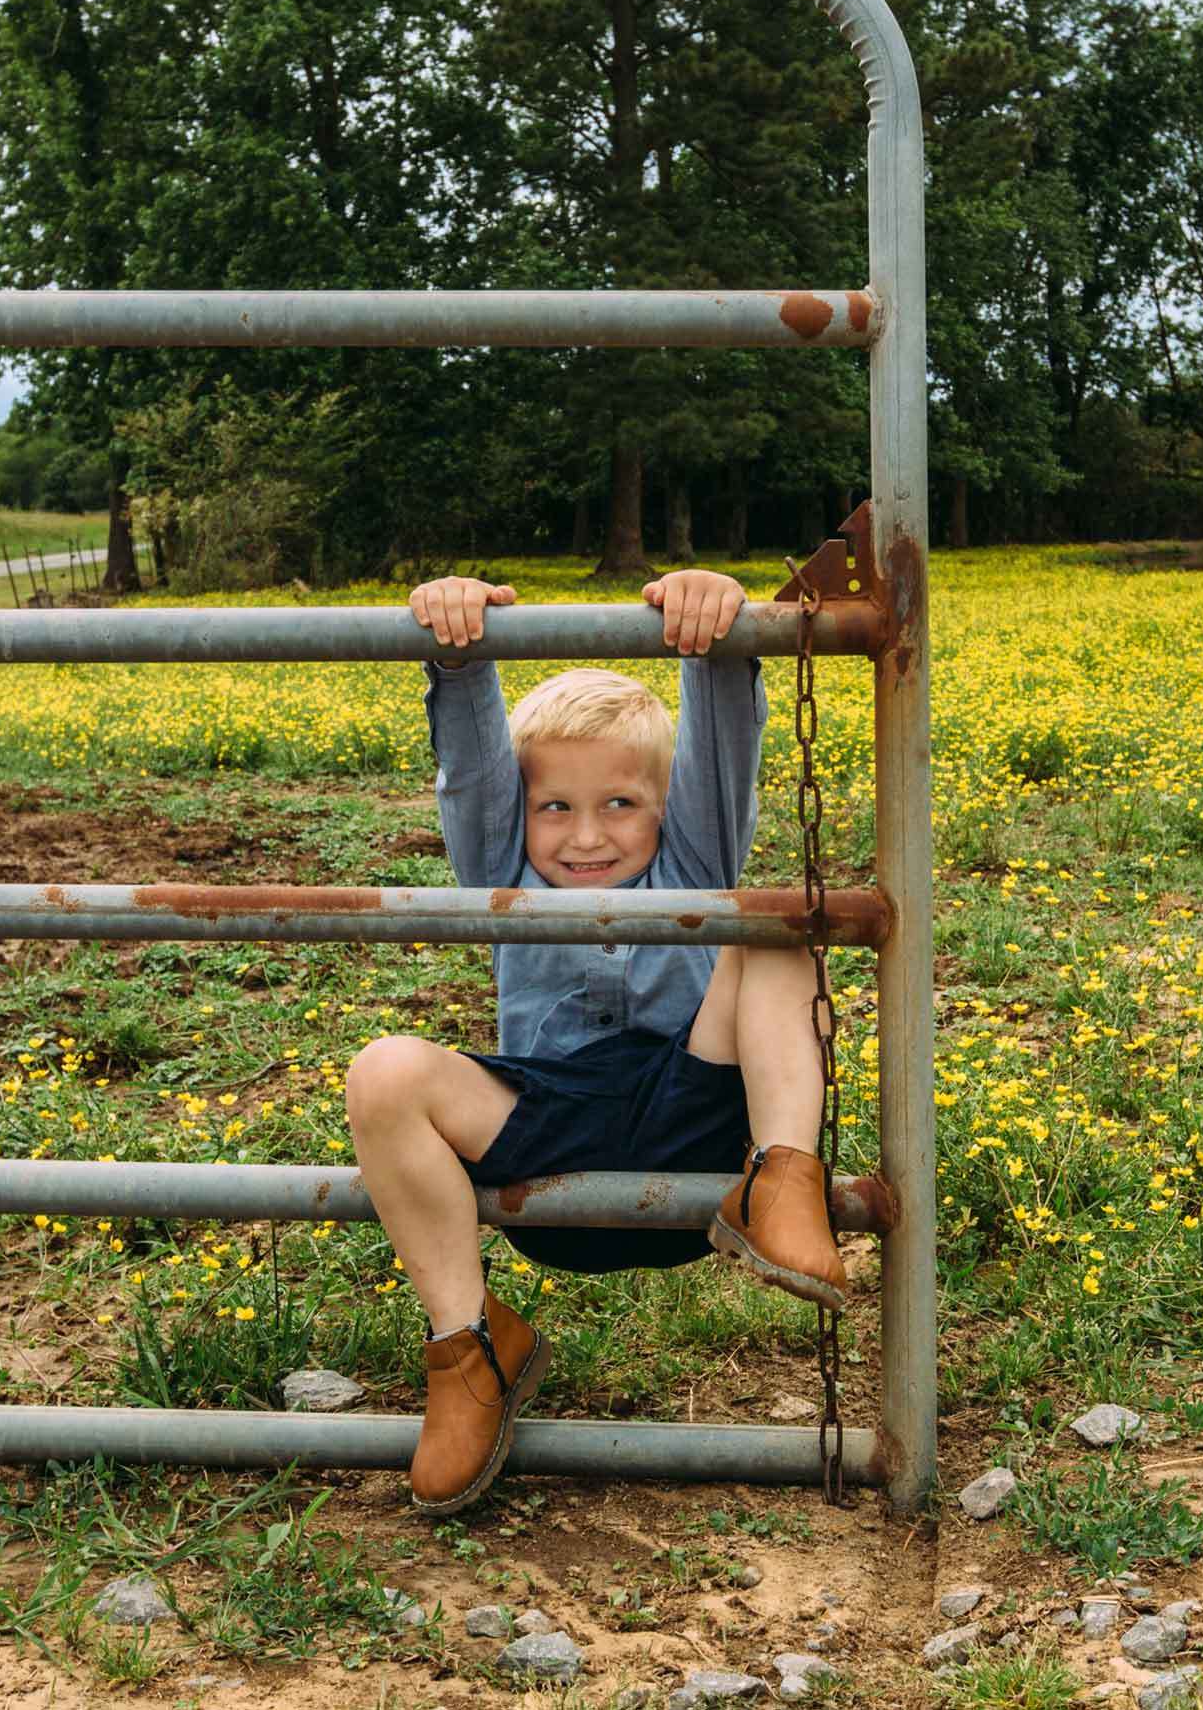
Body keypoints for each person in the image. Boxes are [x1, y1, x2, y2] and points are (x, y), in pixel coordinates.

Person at [344, 568, 845, 1517]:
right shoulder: (498, 870)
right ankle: (469, 1348)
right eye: (555, 808)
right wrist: (460, 656)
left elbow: (723, 745)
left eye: (620, 804)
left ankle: (783, 1182)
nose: (586, 837)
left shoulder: (693, 861)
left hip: (696, 1117)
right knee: (383, 1072)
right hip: (551, 1126)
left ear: (664, 806)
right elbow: (475, 770)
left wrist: (716, 637)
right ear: (519, 816)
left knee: (773, 926)